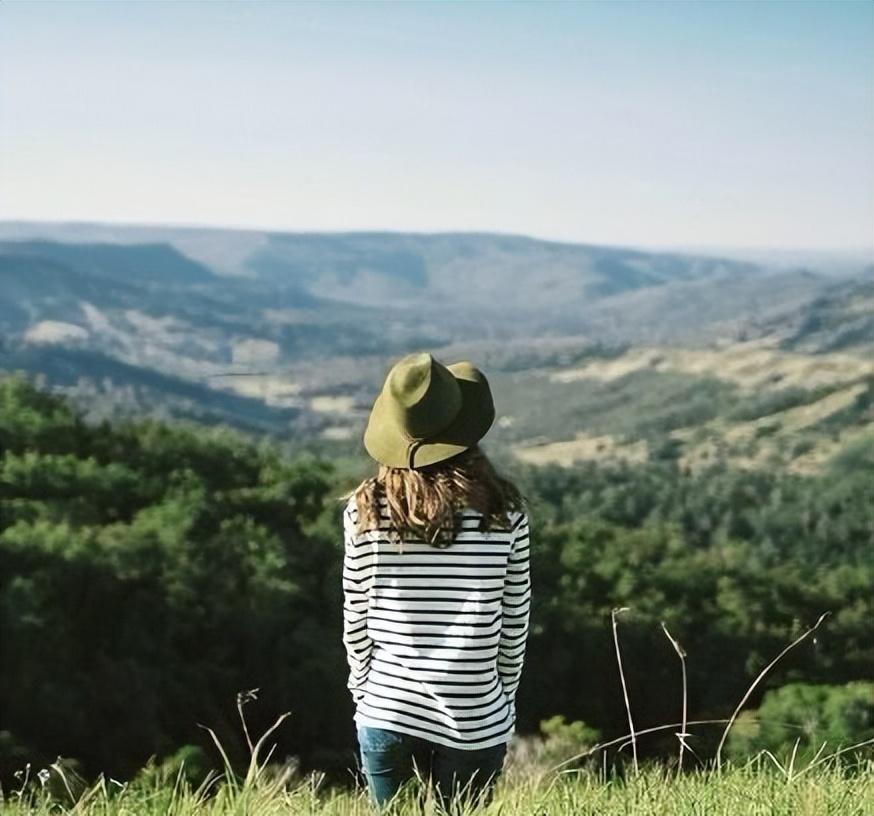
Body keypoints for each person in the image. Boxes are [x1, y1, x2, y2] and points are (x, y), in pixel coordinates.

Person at [341, 351, 531, 811]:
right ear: (466, 433)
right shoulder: (503, 513)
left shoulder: (366, 510)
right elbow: (514, 623)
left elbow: (357, 616)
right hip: (474, 715)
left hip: (387, 706)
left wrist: (365, 691)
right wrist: (499, 697)